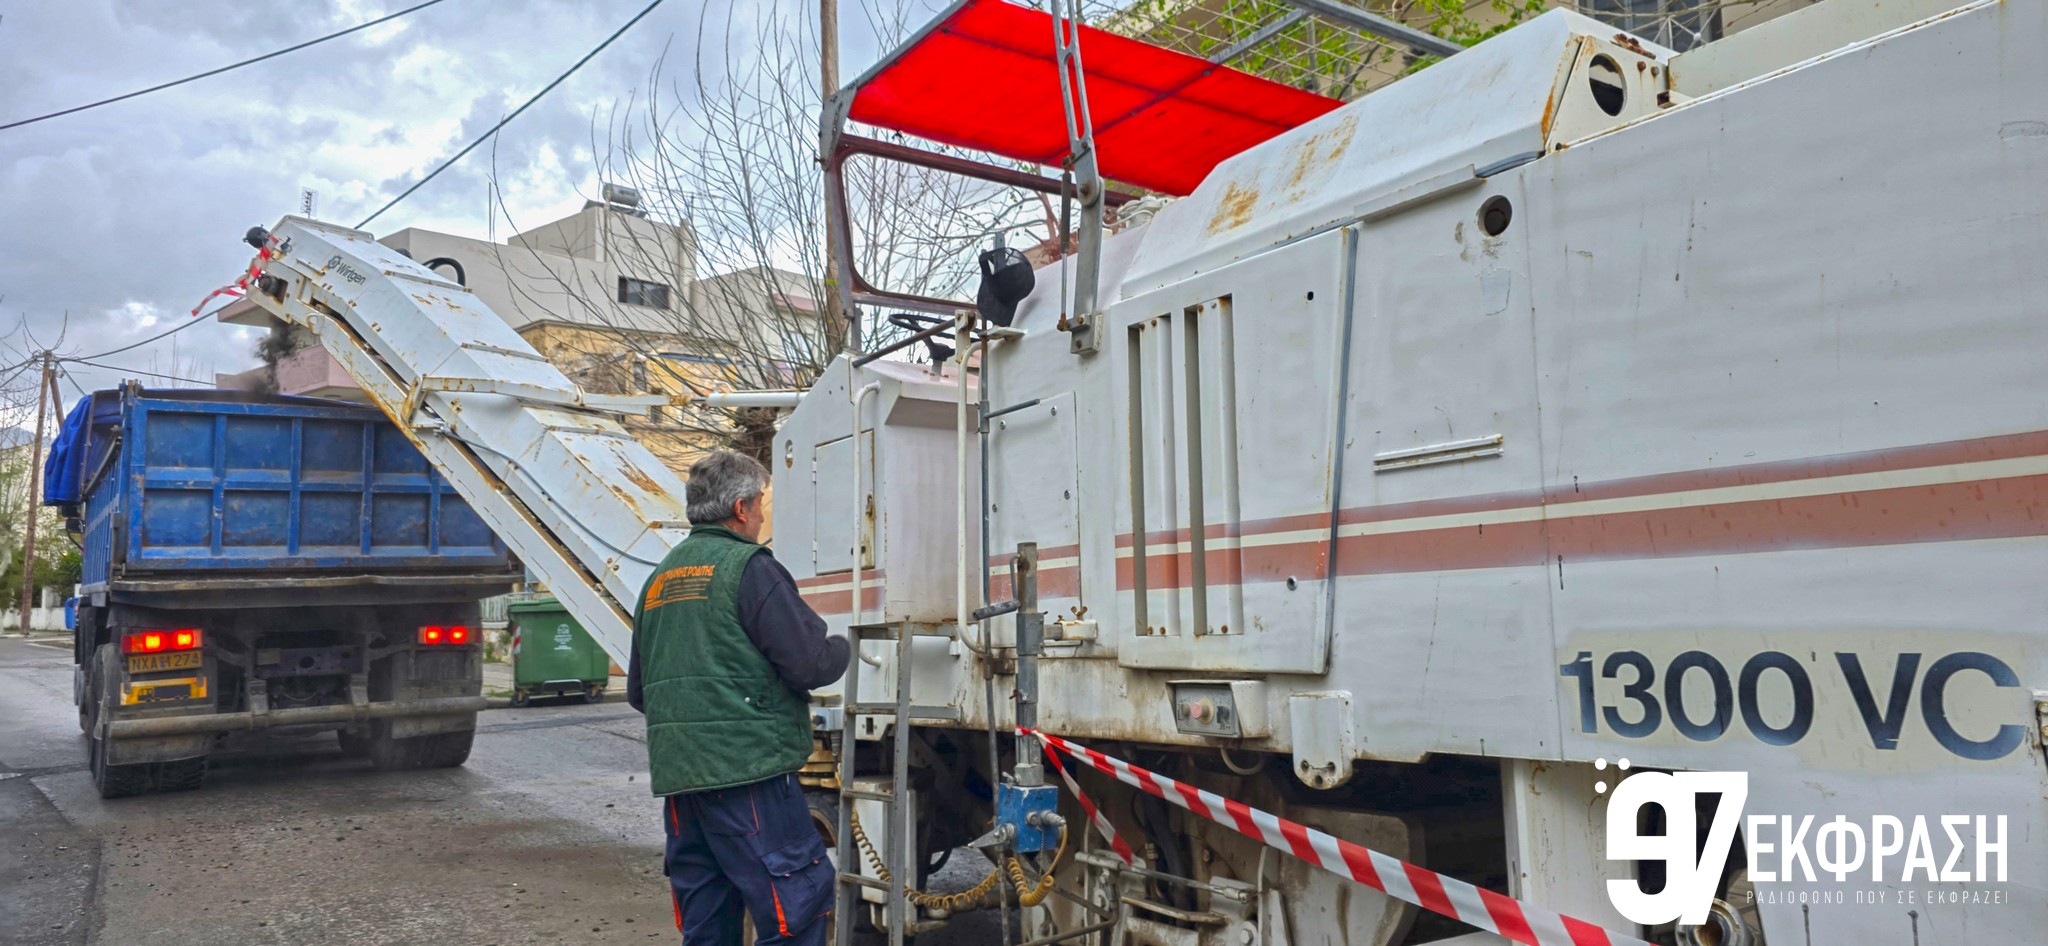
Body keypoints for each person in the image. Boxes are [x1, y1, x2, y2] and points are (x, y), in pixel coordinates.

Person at [628, 450, 850, 945]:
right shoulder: (749, 568)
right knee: (795, 912)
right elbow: (810, 663)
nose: (762, 518)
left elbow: (641, 691)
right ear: (741, 508)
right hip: (749, 779)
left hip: (682, 786)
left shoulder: (659, 579)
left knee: (707, 924)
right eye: (760, 505)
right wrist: (844, 646)